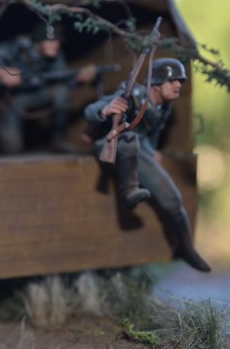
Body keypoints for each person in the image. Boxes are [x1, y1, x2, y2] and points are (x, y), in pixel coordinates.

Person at [83, 58, 211, 272]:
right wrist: (106, 110)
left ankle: (185, 248)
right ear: (156, 84)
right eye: (172, 80)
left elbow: (153, 133)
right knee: (129, 139)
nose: (178, 85)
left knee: (173, 200)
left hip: (139, 151)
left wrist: (152, 151)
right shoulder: (131, 96)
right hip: (111, 146)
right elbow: (90, 111)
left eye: (180, 81)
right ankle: (129, 190)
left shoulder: (164, 107)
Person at [0, 22, 98, 153]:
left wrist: (80, 79)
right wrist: (2, 71)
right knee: (11, 148)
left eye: (57, 41)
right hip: (16, 97)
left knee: (61, 93)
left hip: (39, 93)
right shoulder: (20, 45)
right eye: (50, 41)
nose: (55, 45)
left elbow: (62, 78)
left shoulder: (56, 54)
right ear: (38, 42)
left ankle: (58, 139)